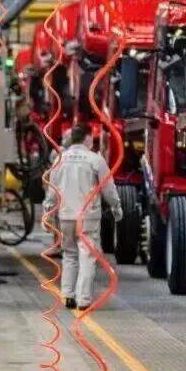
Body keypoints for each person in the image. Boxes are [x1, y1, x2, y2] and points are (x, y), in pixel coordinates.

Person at [42, 125, 122, 311]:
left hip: (66, 216)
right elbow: (108, 188)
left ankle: (68, 295)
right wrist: (116, 207)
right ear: (87, 138)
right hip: (87, 217)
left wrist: (48, 210)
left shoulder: (60, 160)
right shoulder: (95, 160)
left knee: (69, 255)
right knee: (87, 256)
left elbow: (52, 190)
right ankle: (83, 300)